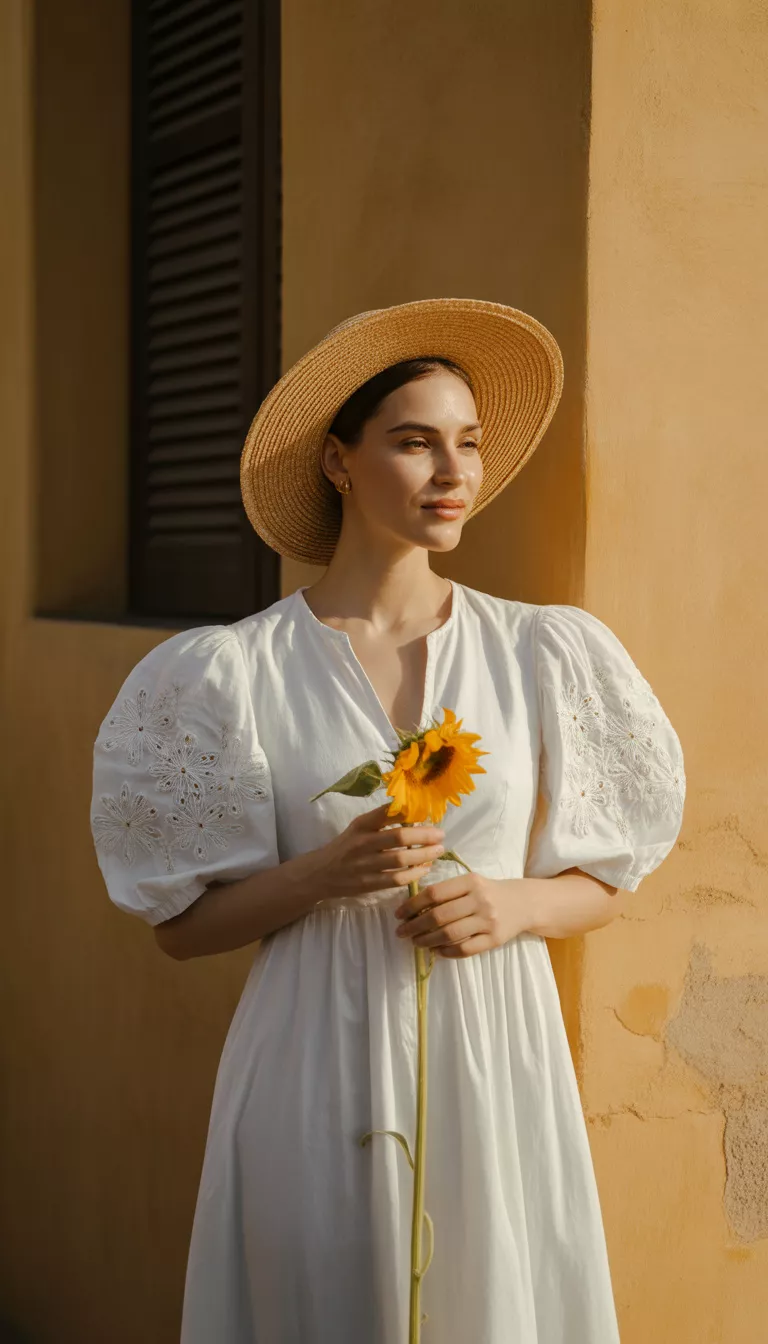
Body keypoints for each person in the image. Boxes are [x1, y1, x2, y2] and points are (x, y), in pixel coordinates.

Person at [90, 298, 686, 1343]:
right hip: (311, 1053)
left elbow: (605, 877)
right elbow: (182, 929)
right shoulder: (230, 672)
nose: (455, 471)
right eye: (415, 442)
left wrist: (512, 902)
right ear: (339, 461)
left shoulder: (541, 651)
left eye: (468, 443)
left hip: (495, 1055)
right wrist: (320, 875)